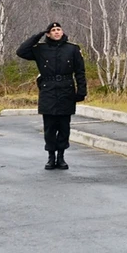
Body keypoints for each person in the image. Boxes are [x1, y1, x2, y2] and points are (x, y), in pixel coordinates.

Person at [16, 22, 87, 170]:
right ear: (48, 33)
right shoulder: (40, 49)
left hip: (66, 90)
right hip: (48, 90)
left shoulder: (72, 49)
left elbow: (80, 72)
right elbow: (21, 51)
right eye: (53, 30)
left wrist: (81, 91)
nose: (56, 32)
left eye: (58, 29)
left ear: (62, 32)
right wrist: (38, 36)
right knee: (49, 127)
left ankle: (61, 157)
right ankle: (50, 157)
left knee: (63, 126)